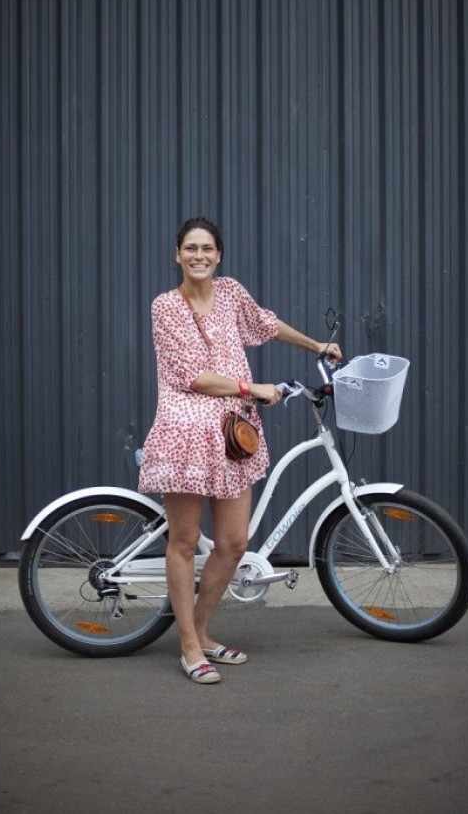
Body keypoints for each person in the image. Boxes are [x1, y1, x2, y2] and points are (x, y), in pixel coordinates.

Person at [138, 218, 342, 684]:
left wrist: (316, 344)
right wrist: (254, 386)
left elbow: (265, 324)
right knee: (185, 541)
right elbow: (192, 376)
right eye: (190, 248)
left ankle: (204, 632)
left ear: (219, 255)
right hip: (186, 428)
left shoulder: (229, 293)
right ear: (177, 255)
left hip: (234, 431)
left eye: (207, 248)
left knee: (233, 543)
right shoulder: (166, 307)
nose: (199, 256)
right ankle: (188, 646)